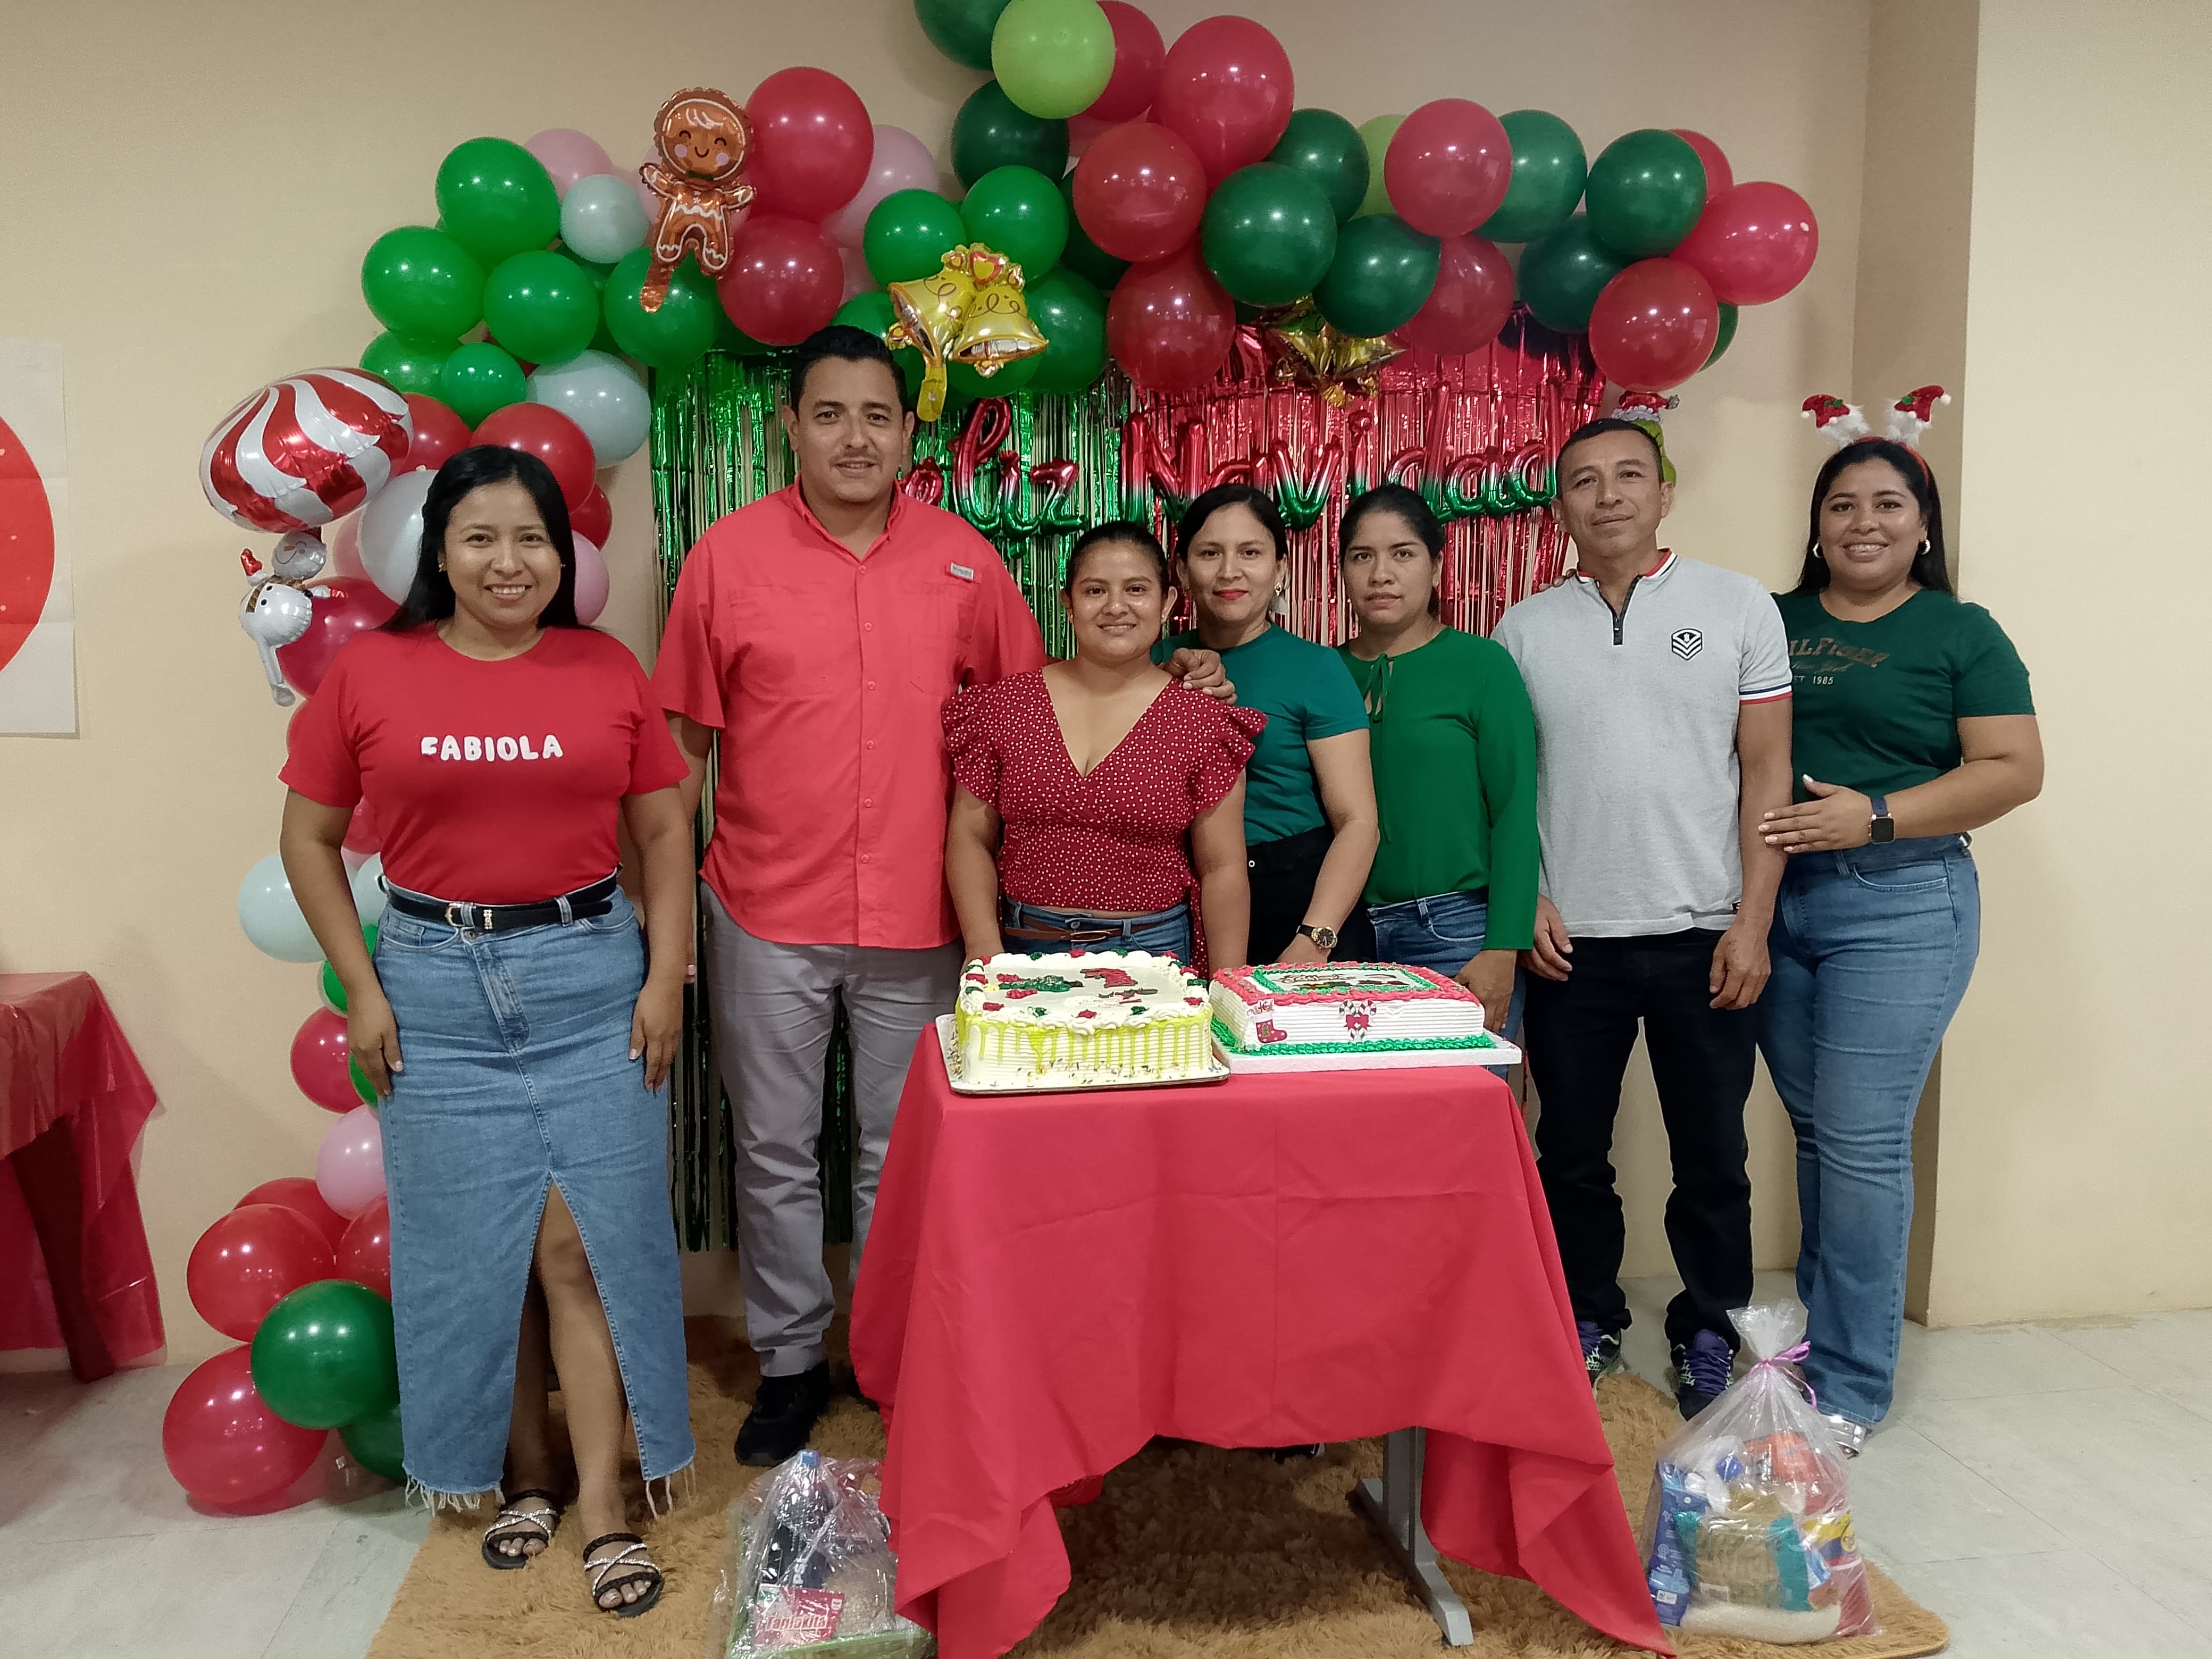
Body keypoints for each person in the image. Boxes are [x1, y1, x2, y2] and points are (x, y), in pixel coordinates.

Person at [655, 328, 1228, 1465]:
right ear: (790, 426)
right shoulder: (725, 559)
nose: (854, 438)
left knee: (901, 1153)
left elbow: (1049, 708)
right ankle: (788, 1363)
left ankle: (895, 1356)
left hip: (922, 917)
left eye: (877, 416)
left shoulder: (966, 562)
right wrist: (666, 919)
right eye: (829, 414)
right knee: (772, 1150)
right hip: (762, 906)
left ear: (909, 433)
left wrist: (1174, 674)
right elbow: (680, 758)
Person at [279, 446, 695, 1618]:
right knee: (482, 1259)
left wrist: (666, 976)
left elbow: (665, 833)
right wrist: (363, 988)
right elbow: (307, 839)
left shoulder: (605, 668)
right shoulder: (373, 671)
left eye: (531, 539)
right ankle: (525, 1477)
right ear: (439, 553)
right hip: (435, 994)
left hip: (588, 980)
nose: (508, 562)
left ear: (561, 555)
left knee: (581, 1249)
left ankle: (605, 1502)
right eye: (480, 538)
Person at [1491, 418, 1793, 1419]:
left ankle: (1709, 1329)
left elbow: (1767, 772)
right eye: (1585, 481)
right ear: (1560, 507)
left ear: (1664, 493)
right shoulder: (1524, 630)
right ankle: (1587, 1313)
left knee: (1712, 1155)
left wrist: (1753, 922)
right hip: (1570, 943)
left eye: (1630, 475)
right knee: (1572, 1152)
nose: (1609, 495)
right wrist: (1529, 896)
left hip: (1705, 935)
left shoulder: (1738, 605)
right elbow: (1511, 788)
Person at [1756, 432, 2041, 1454]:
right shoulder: (1772, 619)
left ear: (1924, 526)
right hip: (1774, 901)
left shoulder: (1961, 631)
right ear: (1817, 525)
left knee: (1863, 1141)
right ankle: (1820, 1345)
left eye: (1888, 504)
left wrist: (1874, 816)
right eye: (1842, 505)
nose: (1863, 523)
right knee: (1819, 1134)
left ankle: (1848, 1388)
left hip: (1901, 901)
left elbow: (2012, 769)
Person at [945, 521, 1264, 970]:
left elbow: (1223, 868)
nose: (1116, 607)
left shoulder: (1202, 719)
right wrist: (983, 949)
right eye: (1095, 591)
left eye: (1136, 589)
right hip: (1022, 950)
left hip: (1155, 956)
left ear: (1167, 602)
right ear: (1068, 603)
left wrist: (1226, 983)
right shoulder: (1006, 705)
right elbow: (970, 836)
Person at [1334, 484, 1537, 1037]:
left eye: (1402, 554)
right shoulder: (1323, 673)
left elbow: (1515, 811)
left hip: (1455, 933)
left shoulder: (1482, 666)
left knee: (1461, 1094)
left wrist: (1504, 945)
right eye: (1362, 556)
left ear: (1437, 566)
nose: (1381, 574)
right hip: (1344, 938)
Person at [1157, 483, 1378, 963]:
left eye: (1250, 553)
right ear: (1183, 571)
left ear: (1280, 569)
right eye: (1210, 553)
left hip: (1297, 900)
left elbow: (1359, 823)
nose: (1229, 571)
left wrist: (1314, 938)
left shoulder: (1316, 668)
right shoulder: (1152, 662)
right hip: (1178, 903)